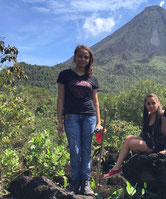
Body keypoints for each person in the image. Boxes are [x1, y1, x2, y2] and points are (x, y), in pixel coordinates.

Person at [57, 45, 101, 195]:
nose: (83, 59)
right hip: (71, 116)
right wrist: (59, 121)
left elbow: (96, 102)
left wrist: (99, 122)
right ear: (75, 57)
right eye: (80, 56)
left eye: (86, 57)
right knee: (75, 150)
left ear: (89, 60)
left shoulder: (92, 78)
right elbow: (60, 98)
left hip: (89, 116)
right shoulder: (65, 75)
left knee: (86, 149)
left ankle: (85, 183)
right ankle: (74, 182)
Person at [103, 93, 166, 179]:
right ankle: (116, 167)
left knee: (132, 143)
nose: (151, 105)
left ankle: (117, 167)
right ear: (145, 105)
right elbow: (143, 134)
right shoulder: (148, 116)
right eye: (148, 104)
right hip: (151, 141)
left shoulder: (163, 115)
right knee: (129, 138)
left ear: (158, 103)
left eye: (153, 103)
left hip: (159, 145)